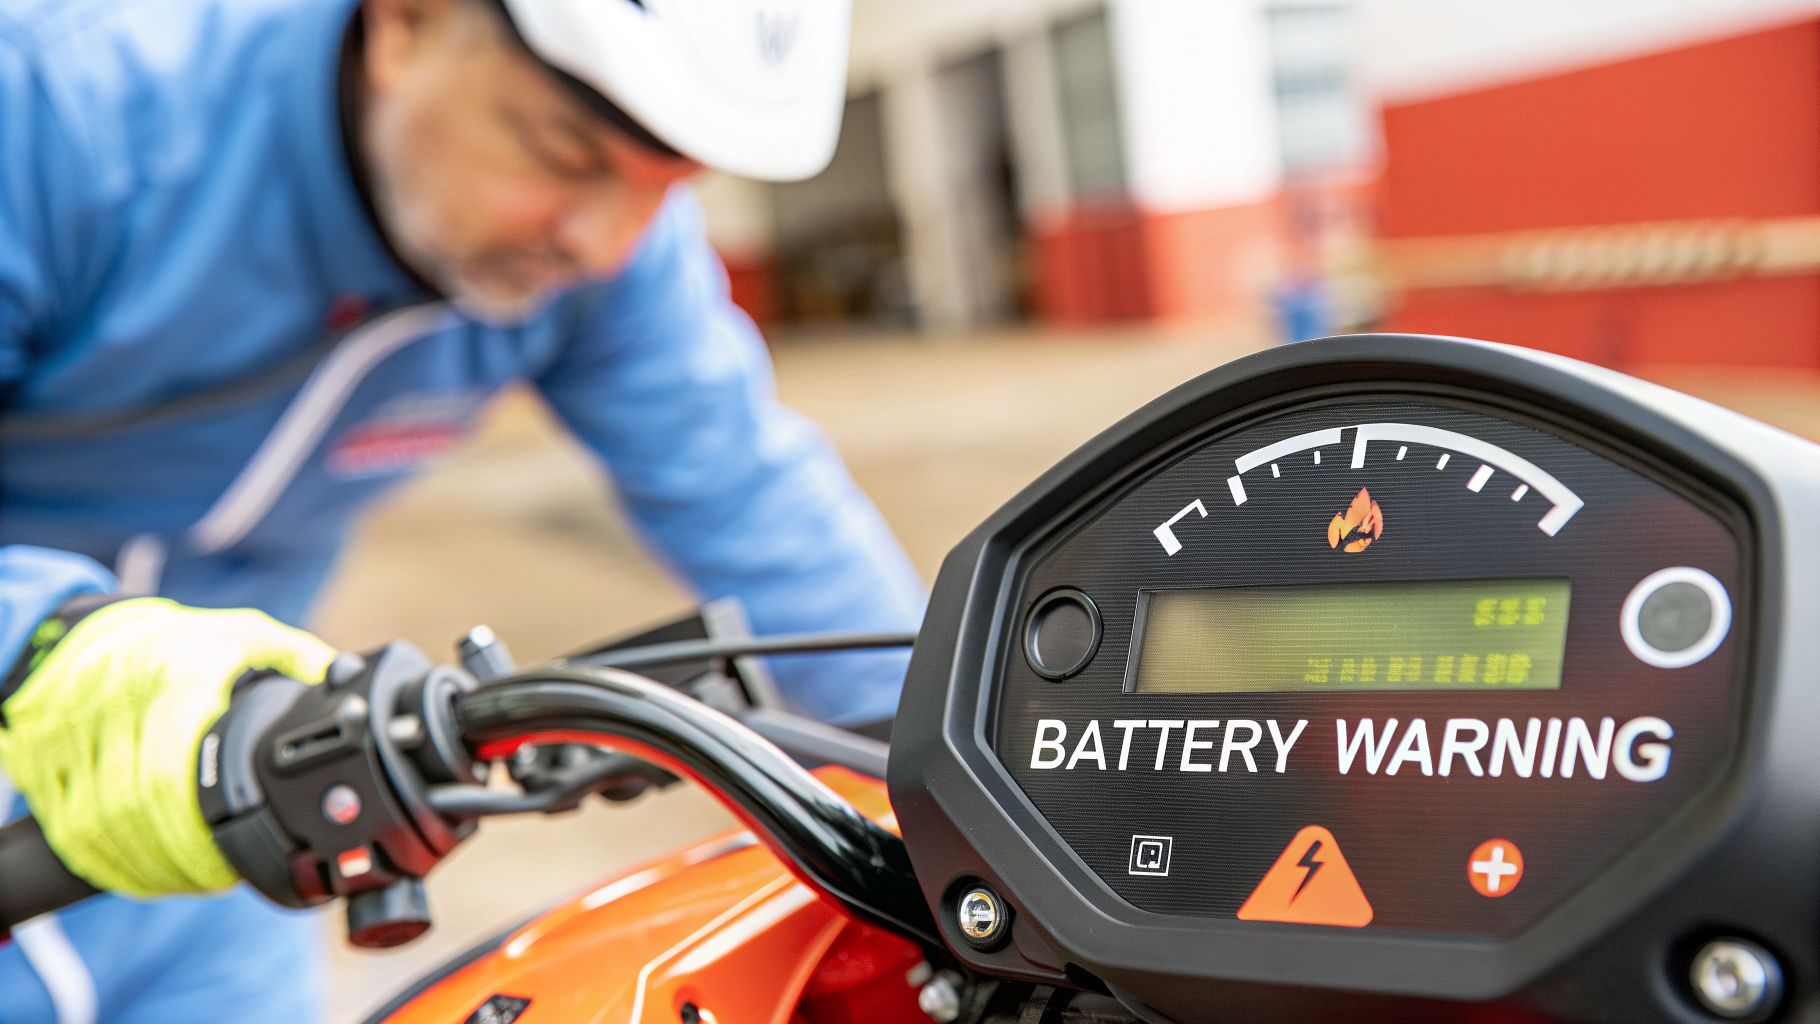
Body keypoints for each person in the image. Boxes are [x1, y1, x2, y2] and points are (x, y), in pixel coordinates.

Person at [0, 0, 924, 1019]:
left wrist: (950, 761)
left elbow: (751, 494)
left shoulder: (596, 261)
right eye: (563, 151)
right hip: (86, 731)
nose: (606, 245)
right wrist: (53, 655)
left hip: (220, 826)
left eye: (668, 191)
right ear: (407, 24)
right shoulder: (58, 105)